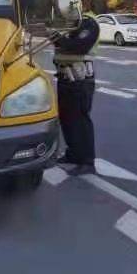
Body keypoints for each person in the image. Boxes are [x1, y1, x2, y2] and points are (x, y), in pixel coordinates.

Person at [53, 9, 100, 176]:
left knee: (80, 120)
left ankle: (87, 162)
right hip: (65, 77)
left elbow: (79, 46)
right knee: (66, 119)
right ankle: (73, 154)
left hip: (80, 79)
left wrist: (57, 38)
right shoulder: (68, 24)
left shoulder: (88, 22)